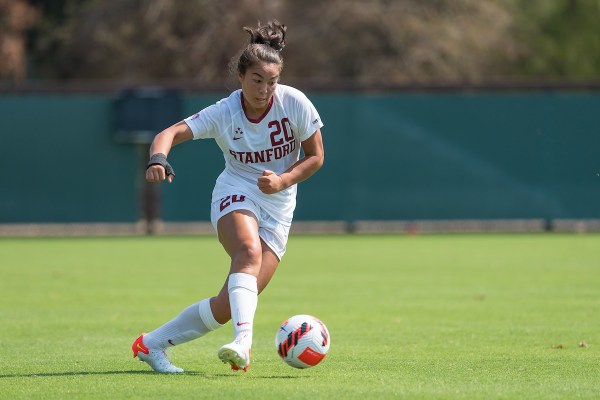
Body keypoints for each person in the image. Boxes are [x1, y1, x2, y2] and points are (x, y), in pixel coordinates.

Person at [131, 20, 324, 373]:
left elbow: (316, 157)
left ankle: (151, 344)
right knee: (248, 252)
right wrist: (158, 158)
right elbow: (169, 133)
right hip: (236, 192)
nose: (265, 89)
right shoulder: (225, 112)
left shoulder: (294, 102)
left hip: (280, 205)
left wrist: (283, 181)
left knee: (227, 305)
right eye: (257, 80)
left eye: (272, 81)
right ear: (240, 75)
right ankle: (243, 344)